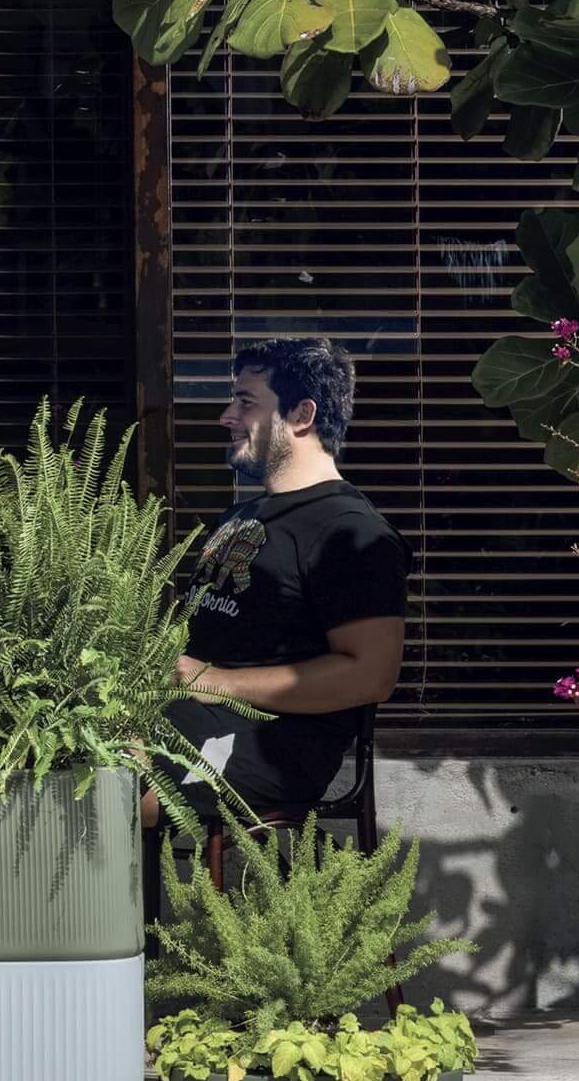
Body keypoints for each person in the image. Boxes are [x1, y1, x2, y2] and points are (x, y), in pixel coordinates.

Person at [156, 335, 409, 821]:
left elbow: (372, 674)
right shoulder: (242, 515)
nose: (226, 417)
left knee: (91, 789)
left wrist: (209, 681)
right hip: (180, 717)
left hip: (259, 745)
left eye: (246, 402)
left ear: (300, 415)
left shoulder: (350, 531)